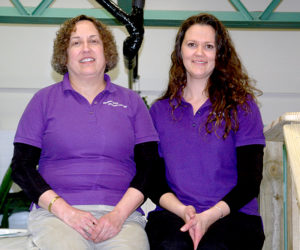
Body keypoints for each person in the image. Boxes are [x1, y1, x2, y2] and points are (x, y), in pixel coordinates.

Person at [10, 14, 161, 250]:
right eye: (76, 42)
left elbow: (150, 167)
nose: (86, 48)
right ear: (64, 54)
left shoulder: (131, 102)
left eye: (94, 41)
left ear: (106, 51)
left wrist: (118, 216)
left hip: (122, 217)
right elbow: (22, 168)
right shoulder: (43, 100)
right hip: (57, 217)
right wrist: (67, 212)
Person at [145, 13, 266, 250]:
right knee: (171, 244)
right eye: (192, 45)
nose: (199, 53)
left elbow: (251, 181)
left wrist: (210, 216)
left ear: (219, 54)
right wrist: (183, 211)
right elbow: (153, 181)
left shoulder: (243, 106)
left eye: (208, 46)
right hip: (175, 215)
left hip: (233, 215)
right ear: (180, 52)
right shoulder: (159, 112)